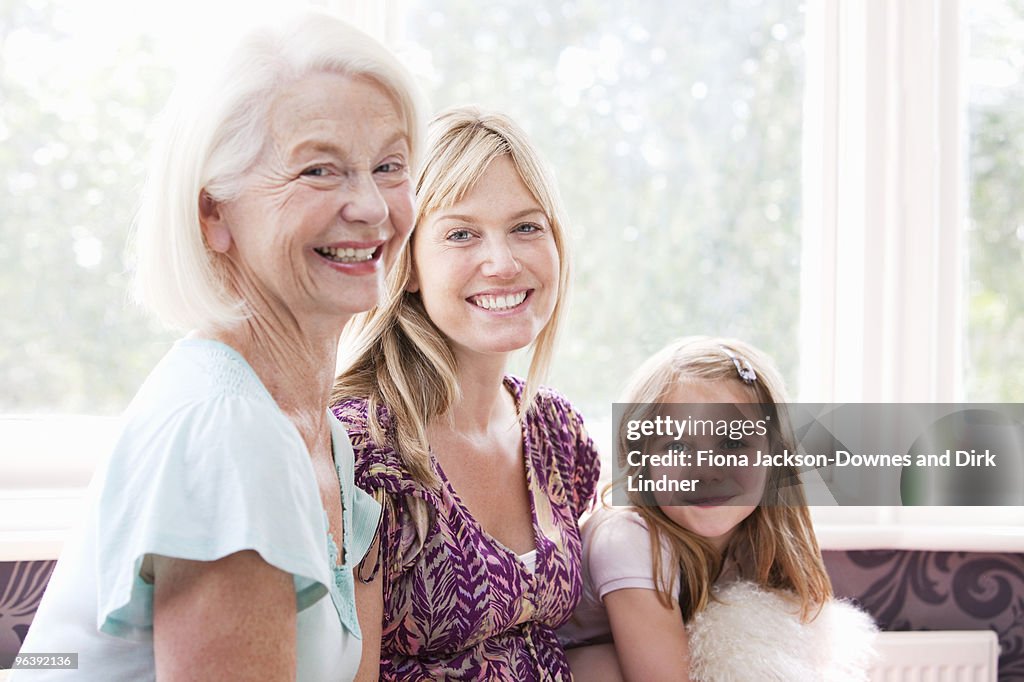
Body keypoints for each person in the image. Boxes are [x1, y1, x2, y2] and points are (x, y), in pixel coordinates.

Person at [14, 12, 426, 681]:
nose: (374, 207)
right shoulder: (229, 430)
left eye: (388, 165)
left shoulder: (322, 434)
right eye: (320, 170)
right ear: (214, 213)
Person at [330, 106, 600, 680]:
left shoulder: (558, 432)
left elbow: (572, 644)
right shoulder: (360, 448)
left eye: (527, 227)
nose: (502, 263)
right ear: (406, 264)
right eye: (460, 234)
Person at [562, 336, 874, 681]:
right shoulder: (628, 538)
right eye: (677, 446)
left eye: (732, 442)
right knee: (600, 664)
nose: (706, 471)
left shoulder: (753, 543)